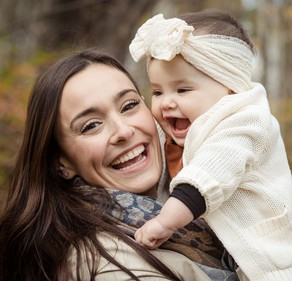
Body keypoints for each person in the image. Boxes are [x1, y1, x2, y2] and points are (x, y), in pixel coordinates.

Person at [129, 11, 292, 281]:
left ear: (230, 89)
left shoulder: (245, 122)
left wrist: (164, 222)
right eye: (157, 92)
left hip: (282, 262)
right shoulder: (188, 126)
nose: (166, 102)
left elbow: (209, 174)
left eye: (182, 90)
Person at [0, 49, 238, 280]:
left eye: (129, 105)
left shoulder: (209, 191)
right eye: (91, 125)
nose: (123, 131)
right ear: (61, 162)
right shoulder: (105, 263)